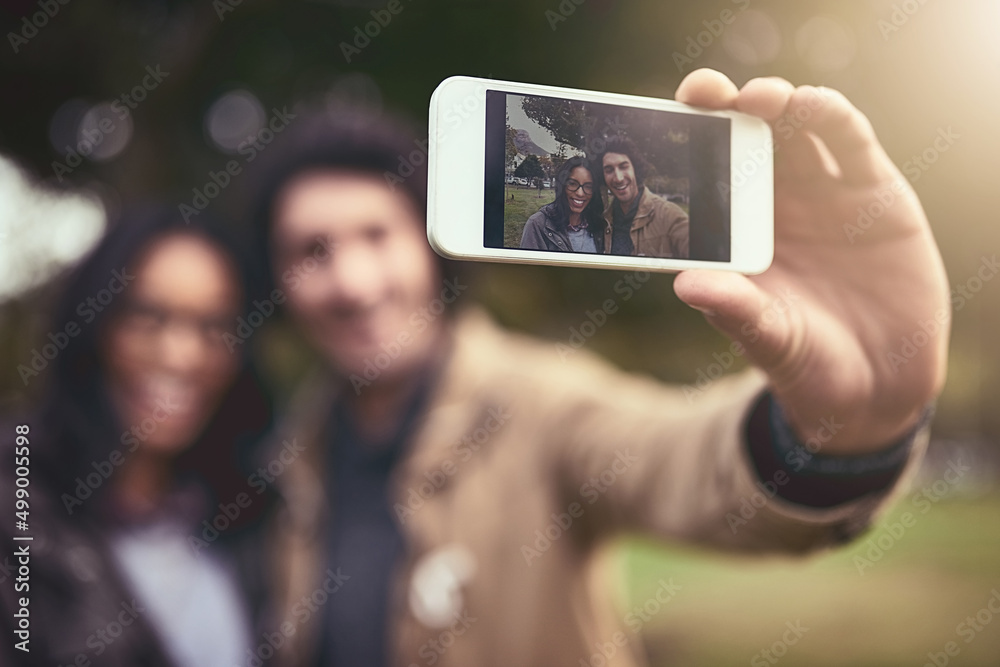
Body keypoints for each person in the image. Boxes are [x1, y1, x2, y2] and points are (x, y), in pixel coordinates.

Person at [249, 68, 948, 667]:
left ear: (428, 246)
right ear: (278, 277)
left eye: (377, 234)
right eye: (312, 250)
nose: (353, 280)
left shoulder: (540, 400)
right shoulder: (291, 453)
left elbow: (682, 457)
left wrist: (842, 425)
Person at [0, 206, 276, 667]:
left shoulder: (253, 519)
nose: (182, 355)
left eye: (214, 326)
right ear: (93, 325)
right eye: (148, 316)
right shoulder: (17, 508)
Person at [597, 135, 690, 258]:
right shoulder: (603, 221)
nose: (618, 178)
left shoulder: (669, 216)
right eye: (609, 170)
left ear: (635, 168)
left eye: (624, 167)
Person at [520, 156, 604, 253]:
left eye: (588, 186)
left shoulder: (599, 226)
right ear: (562, 185)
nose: (580, 193)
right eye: (572, 184)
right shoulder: (537, 224)